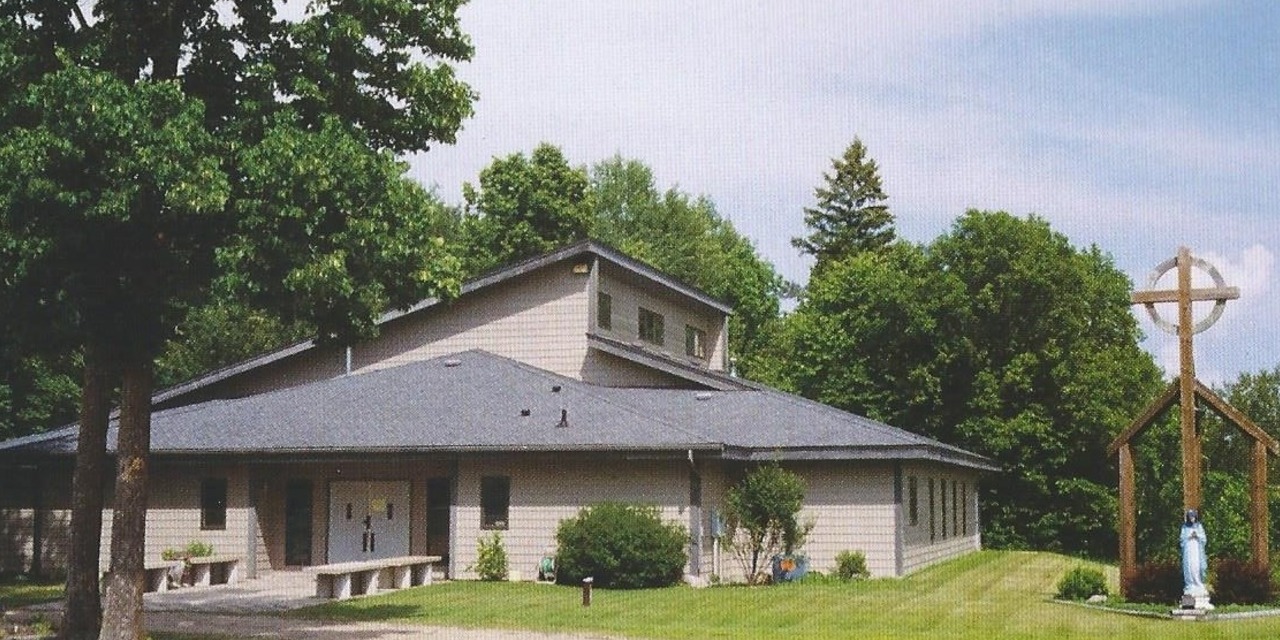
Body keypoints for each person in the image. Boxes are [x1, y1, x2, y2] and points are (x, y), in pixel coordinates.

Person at [1180, 509, 1208, 597]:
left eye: (1193, 516)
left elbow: (1204, 538)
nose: (1192, 518)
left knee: (1196, 566)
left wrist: (1197, 535)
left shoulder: (1199, 526)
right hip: (1188, 550)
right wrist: (1189, 536)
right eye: (1190, 516)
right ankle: (1190, 584)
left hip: (1197, 549)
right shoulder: (1184, 527)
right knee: (1189, 566)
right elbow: (1182, 539)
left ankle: (1198, 583)